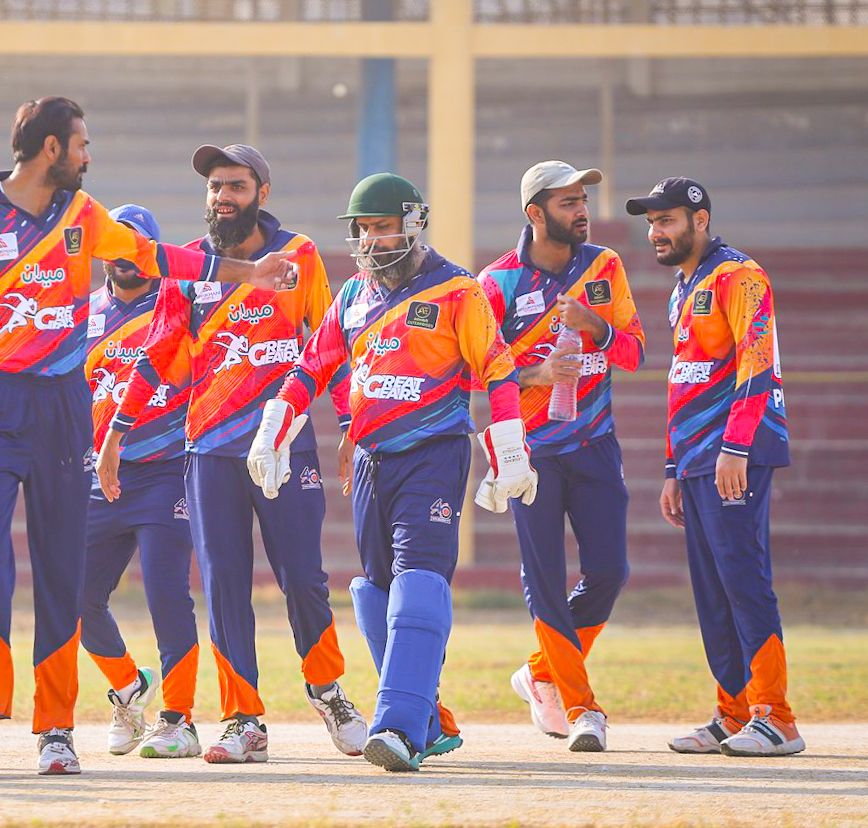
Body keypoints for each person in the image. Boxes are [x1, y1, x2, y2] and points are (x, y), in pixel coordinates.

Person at [0, 98, 298, 777]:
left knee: (59, 565)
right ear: (50, 148)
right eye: (81, 145)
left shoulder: (83, 215)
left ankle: (56, 731)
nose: (87, 156)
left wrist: (248, 272)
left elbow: (156, 256)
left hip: (64, 406)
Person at [250, 173, 537, 772]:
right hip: (370, 460)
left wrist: (509, 446)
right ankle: (428, 722)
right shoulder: (352, 294)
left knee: (417, 583)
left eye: (381, 228)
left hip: (433, 453)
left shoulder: (458, 290)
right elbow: (311, 367)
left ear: (413, 224)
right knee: (375, 593)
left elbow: (498, 369)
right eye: (362, 230)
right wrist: (274, 426)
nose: (370, 241)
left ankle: (398, 729)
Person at [98, 143, 367, 765]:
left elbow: (331, 347)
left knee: (303, 577)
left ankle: (328, 692)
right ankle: (243, 720)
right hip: (209, 451)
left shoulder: (298, 256)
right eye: (215, 186)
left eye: (236, 186)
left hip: (284, 443)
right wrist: (116, 433)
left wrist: (351, 426)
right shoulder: (189, 267)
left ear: (261, 194)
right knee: (224, 585)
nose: (223, 196)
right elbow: (157, 354)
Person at [627, 177, 801, 758]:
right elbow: (682, 380)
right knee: (712, 589)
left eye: (667, 220)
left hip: (736, 453)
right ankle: (733, 711)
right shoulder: (685, 286)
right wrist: (672, 466)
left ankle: (776, 717)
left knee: (743, 580)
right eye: (652, 223)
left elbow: (758, 363)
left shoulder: (739, 275)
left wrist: (737, 447)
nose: (656, 232)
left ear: (700, 221)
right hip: (698, 457)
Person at [477, 161, 645, 752]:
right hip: (530, 453)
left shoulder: (605, 266)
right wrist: (537, 373)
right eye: (568, 202)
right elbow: (473, 373)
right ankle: (582, 708)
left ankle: (540, 671)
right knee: (545, 580)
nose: (582, 211)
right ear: (535, 213)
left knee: (610, 571)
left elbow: (635, 353)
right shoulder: (496, 282)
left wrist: (596, 325)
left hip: (596, 443)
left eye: (583, 200)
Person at [81, 204, 200, 759]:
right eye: (117, 244)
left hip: (165, 470)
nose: (126, 255)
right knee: (75, 597)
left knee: (167, 594)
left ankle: (179, 718)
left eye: (137, 244)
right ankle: (130, 689)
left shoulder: (178, 305)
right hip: (101, 476)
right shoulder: (86, 312)